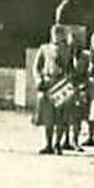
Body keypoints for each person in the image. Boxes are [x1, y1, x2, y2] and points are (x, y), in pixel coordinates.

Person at [32, 23, 75, 155]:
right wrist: (39, 80)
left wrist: (70, 78)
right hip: (48, 82)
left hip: (62, 83)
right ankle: (48, 144)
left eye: (59, 33)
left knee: (61, 117)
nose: (57, 36)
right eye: (55, 33)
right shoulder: (44, 48)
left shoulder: (68, 50)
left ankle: (58, 144)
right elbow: (36, 67)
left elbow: (72, 67)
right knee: (48, 117)